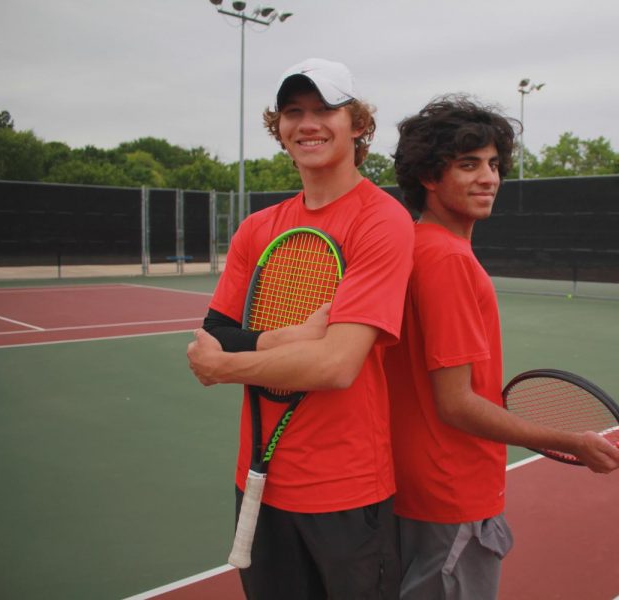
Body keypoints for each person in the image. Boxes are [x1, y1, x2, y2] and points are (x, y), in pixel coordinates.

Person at [385, 95, 619, 600]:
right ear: (429, 177)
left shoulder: (412, 246)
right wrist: (572, 442)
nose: (489, 178)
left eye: (494, 164)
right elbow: (456, 404)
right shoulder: (449, 262)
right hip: (452, 495)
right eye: (468, 164)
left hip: (411, 490)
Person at [186, 58, 414, 600]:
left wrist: (224, 366)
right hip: (258, 485)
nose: (307, 123)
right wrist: (286, 338)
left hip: (348, 493)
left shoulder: (381, 220)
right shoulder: (257, 228)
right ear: (280, 128)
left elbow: (336, 366)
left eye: (323, 109)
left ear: (357, 123)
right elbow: (215, 331)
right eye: (293, 112)